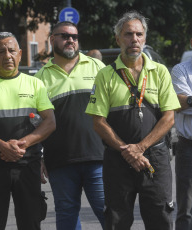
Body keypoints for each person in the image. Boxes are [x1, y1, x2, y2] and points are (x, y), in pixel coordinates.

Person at [85, 11, 180, 230]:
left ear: (145, 38)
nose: (134, 39)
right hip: (117, 159)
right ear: (118, 39)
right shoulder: (105, 75)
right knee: (116, 221)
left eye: (139, 34)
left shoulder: (160, 72)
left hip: (155, 157)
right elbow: (98, 121)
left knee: (161, 218)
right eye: (128, 34)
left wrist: (140, 148)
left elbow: (169, 118)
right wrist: (127, 151)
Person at [0, 32, 56, 230]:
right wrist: (3, 146)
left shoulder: (35, 84)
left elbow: (50, 122)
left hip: (27, 165)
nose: (7, 55)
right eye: (1, 51)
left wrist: (21, 145)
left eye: (11, 50)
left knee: (31, 222)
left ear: (20, 54)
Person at [35, 21, 106, 230]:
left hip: (99, 157)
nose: (71, 40)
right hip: (59, 162)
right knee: (66, 219)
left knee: (109, 214)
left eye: (74, 36)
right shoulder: (40, 78)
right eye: (64, 36)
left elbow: (112, 110)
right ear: (52, 40)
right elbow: (34, 123)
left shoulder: (98, 68)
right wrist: (39, 156)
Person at [171, 33, 192, 230]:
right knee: (186, 208)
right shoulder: (180, 70)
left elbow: (186, 102)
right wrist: (185, 101)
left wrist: (189, 100)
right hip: (188, 147)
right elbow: (178, 103)